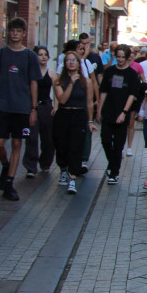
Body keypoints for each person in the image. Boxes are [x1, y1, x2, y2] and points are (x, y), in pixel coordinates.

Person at [0, 17, 41, 201]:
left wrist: (33, 108)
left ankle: (9, 182)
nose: (15, 34)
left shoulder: (30, 56)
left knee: (17, 143)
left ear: (24, 34)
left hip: (22, 107)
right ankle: (5, 164)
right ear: (8, 32)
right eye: (12, 30)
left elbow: (34, 83)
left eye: (18, 31)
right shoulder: (0, 54)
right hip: (2, 105)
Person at [52, 50, 98, 195]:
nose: (71, 63)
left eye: (74, 60)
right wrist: (71, 84)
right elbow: (62, 100)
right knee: (62, 146)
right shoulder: (59, 81)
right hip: (63, 114)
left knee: (76, 146)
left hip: (79, 115)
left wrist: (90, 121)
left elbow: (89, 102)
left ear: (79, 64)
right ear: (64, 64)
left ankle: (73, 178)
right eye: (68, 60)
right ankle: (63, 169)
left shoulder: (87, 82)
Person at [97, 46, 140, 185]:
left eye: (122, 57)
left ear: (127, 58)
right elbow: (103, 91)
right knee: (105, 140)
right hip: (108, 111)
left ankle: (114, 172)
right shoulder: (109, 71)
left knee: (119, 144)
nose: (120, 60)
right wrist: (99, 110)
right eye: (118, 57)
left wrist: (124, 112)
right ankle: (112, 162)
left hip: (122, 113)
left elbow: (132, 95)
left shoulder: (132, 74)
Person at [23, 46, 57, 178]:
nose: (43, 57)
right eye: (40, 54)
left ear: (48, 57)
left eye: (45, 54)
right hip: (32, 107)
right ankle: (31, 166)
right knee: (31, 137)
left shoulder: (52, 73)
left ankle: (46, 163)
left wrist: (56, 106)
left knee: (48, 138)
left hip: (46, 107)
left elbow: (56, 90)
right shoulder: (30, 73)